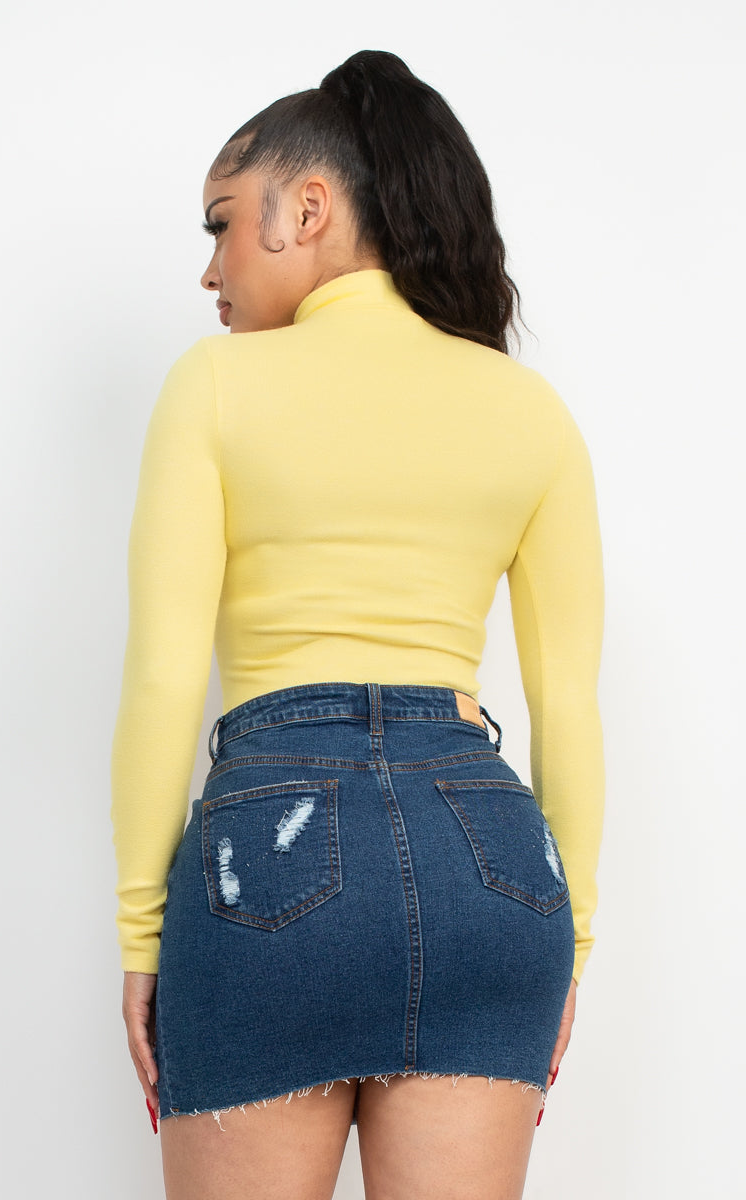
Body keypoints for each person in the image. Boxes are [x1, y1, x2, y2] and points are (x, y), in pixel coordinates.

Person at [110, 49, 604, 1200]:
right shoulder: (528, 410)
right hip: (491, 872)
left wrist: (141, 937)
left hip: (270, 857)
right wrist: (568, 945)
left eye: (221, 224)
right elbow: (568, 705)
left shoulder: (214, 386)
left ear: (308, 208)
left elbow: (164, 678)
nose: (210, 270)